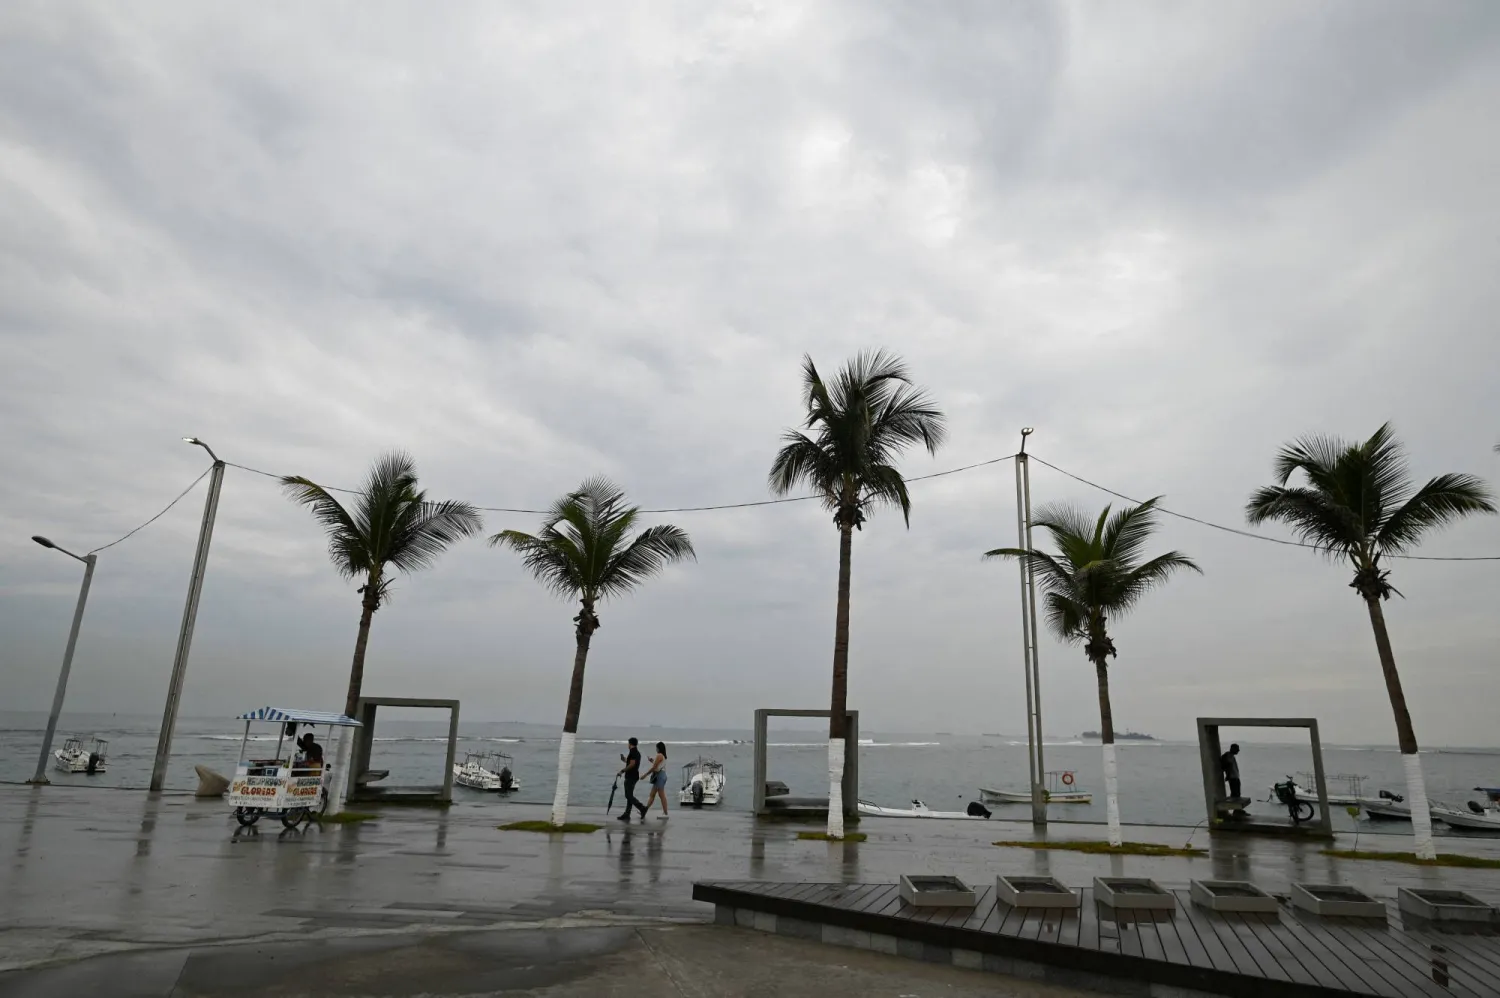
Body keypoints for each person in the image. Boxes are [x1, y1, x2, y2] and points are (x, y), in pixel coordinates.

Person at [616, 737, 647, 822]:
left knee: (628, 795)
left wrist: (622, 771)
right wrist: (624, 760)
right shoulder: (636, 752)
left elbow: (632, 764)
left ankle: (642, 808)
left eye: (628, 743)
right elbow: (631, 762)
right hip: (634, 776)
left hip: (631, 776)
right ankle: (627, 814)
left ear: (630, 744)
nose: (627, 744)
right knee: (629, 795)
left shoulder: (633, 752)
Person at [641, 742, 670, 818]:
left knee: (661, 795)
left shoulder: (659, 755)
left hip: (660, 776)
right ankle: (644, 810)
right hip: (661, 776)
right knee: (652, 795)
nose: (656, 749)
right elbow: (658, 765)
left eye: (656, 747)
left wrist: (645, 775)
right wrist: (651, 760)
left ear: (659, 748)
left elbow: (654, 767)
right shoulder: (662, 756)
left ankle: (665, 813)